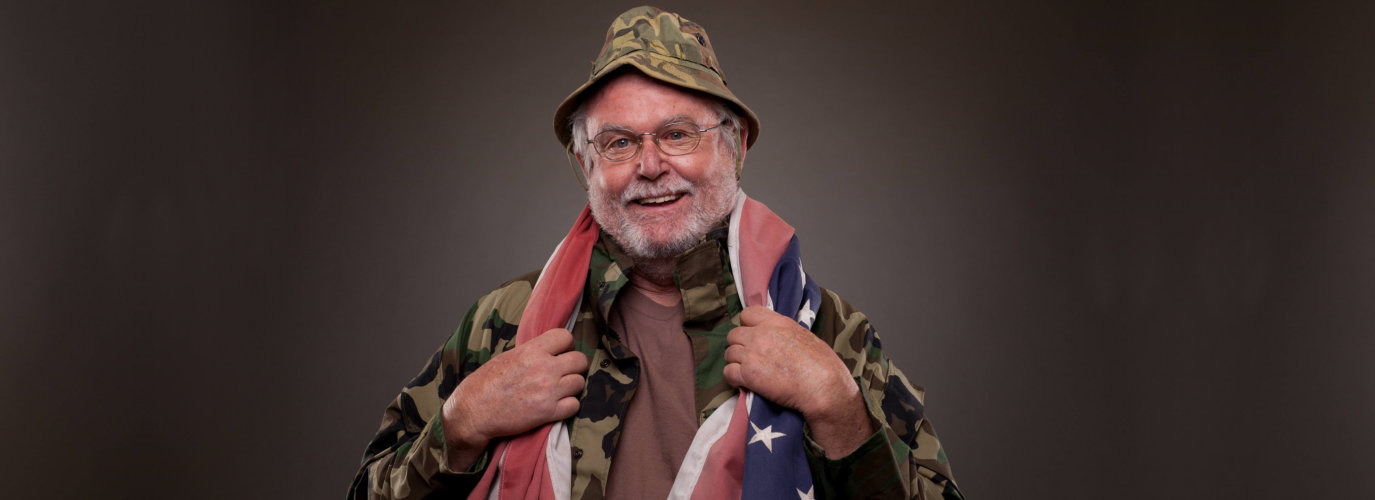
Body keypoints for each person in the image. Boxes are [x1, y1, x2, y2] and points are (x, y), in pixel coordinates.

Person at [350, 6, 962, 500]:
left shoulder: (827, 332)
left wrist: (843, 414)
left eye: (677, 134)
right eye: (618, 143)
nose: (650, 167)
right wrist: (457, 430)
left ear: (736, 145)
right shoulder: (505, 325)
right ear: (585, 163)